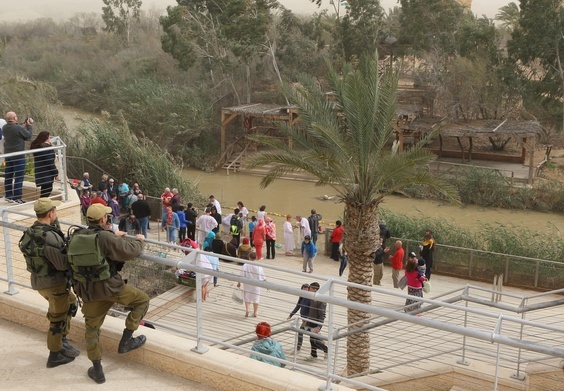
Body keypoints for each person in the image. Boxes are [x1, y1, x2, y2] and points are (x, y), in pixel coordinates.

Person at [67, 203, 148, 384]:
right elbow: (130, 251)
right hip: (112, 288)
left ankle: (97, 370)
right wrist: (140, 240)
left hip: (88, 291)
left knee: (92, 330)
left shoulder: (76, 236)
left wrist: (111, 236)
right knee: (142, 300)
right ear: (103, 219)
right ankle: (126, 340)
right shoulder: (104, 236)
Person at [18, 198, 80, 368]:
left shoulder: (31, 232)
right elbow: (61, 264)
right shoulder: (50, 237)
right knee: (57, 318)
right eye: (55, 211)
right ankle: (55, 355)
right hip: (54, 284)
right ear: (51, 213)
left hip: (39, 282)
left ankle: (62, 340)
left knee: (71, 303)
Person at [3, 111, 33, 203]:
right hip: (18, 156)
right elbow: (28, 136)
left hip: (8, 155)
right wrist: (30, 126)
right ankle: (17, 197)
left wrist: (23, 126)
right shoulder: (18, 128)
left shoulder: (4, 127)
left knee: (8, 176)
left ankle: (8, 195)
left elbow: (17, 131)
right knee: (19, 177)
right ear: (15, 118)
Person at [237, 252, 266, 317]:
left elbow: (241, 275)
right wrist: (266, 282)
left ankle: (247, 310)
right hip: (256, 285)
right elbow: (263, 276)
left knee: (247, 297)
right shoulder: (258, 266)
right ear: (255, 258)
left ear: (249, 257)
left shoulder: (245, 265)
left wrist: (239, 283)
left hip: (247, 284)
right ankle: (255, 312)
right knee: (256, 298)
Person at [30, 131, 59, 198]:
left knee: (44, 189)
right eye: (49, 137)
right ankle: (42, 204)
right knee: (47, 189)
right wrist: (56, 173)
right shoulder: (46, 148)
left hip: (41, 171)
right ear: (46, 138)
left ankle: (42, 203)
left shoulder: (37, 147)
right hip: (46, 172)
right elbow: (50, 162)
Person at [304, 282, 328, 361]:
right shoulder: (312, 297)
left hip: (316, 323)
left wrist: (319, 327)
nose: (308, 290)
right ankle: (313, 355)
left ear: (315, 289)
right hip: (310, 321)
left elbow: (322, 315)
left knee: (314, 340)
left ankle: (326, 350)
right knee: (312, 340)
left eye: (310, 288)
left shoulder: (321, 300)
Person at [287, 283, 311, 352]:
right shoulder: (301, 297)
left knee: (303, 332)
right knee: (308, 333)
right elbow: (297, 307)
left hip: (307, 320)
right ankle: (298, 347)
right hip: (303, 319)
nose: (304, 292)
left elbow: (311, 311)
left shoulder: (310, 299)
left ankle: (298, 348)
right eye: (303, 290)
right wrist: (290, 315)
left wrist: (306, 320)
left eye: (306, 290)